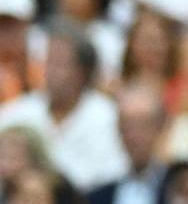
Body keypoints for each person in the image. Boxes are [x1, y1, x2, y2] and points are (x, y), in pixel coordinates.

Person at [0, 19, 128, 192]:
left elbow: (113, 176)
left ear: (82, 71)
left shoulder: (107, 116)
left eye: (60, 63)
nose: (50, 71)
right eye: (48, 61)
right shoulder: (20, 111)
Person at [87, 82, 170, 204]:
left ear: (160, 127)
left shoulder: (178, 189)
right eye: (127, 126)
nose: (134, 136)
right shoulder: (98, 194)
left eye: (144, 125)